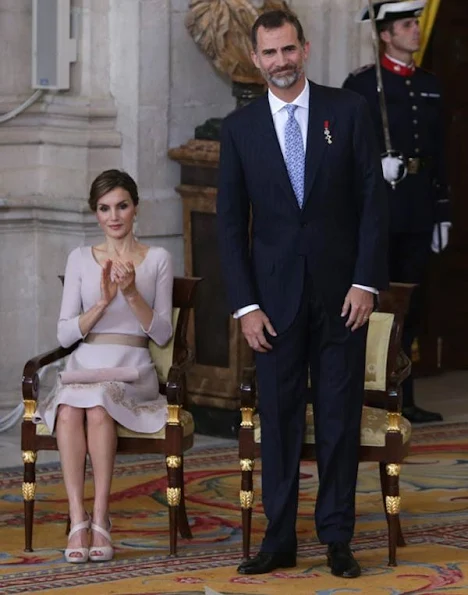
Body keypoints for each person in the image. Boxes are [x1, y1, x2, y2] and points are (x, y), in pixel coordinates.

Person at [217, 9, 388, 579]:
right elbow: (228, 225)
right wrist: (244, 305)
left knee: (339, 418)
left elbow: (372, 203)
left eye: (288, 51)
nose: (280, 63)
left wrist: (366, 281)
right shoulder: (238, 131)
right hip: (273, 307)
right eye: (269, 54)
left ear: (305, 49)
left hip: (344, 299)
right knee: (282, 419)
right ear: (256, 58)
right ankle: (280, 539)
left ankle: (338, 536)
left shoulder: (349, 110)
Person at [34, 169, 174, 563]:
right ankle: (79, 520)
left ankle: (101, 519)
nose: (114, 216)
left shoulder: (158, 258)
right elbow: (64, 336)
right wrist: (101, 302)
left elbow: (162, 334)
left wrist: (130, 293)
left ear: (135, 208)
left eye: (122, 206)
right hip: (86, 362)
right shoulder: (79, 259)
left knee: (97, 406)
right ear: (95, 213)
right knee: (68, 412)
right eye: (104, 208)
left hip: (132, 366)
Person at [343, 0, 451, 424]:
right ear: (385, 34)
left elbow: (440, 152)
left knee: (413, 302)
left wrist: (442, 210)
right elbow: (345, 148)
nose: (415, 31)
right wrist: (376, 162)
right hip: (379, 208)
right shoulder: (363, 86)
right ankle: (370, 393)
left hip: (419, 206)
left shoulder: (430, 84)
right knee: (376, 299)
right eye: (407, 25)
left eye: (416, 23)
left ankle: (403, 395)